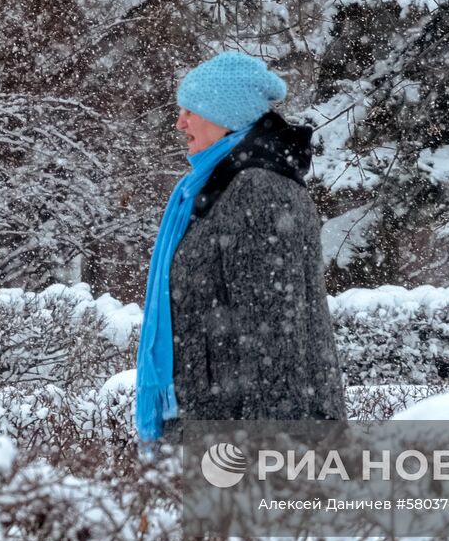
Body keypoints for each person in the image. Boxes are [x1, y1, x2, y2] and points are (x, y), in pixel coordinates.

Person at [135, 51, 347, 444]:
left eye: (190, 110)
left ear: (223, 115)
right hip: (215, 419)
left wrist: (269, 449)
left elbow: (275, 332)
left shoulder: (259, 192)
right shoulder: (213, 190)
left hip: (244, 432)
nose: (180, 122)